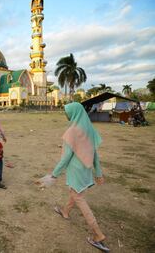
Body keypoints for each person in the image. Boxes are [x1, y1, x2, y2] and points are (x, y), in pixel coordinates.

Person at [49, 102, 109, 252]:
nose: (66, 114)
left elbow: (65, 158)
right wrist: (99, 173)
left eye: (67, 112)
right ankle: (65, 212)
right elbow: (95, 154)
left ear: (74, 113)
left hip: (76, 170)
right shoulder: (88, 128)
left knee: (79, 198)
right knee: (76, 193)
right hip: (85, 170)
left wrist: (54, 174)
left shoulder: (72, 132)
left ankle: (98, 234)